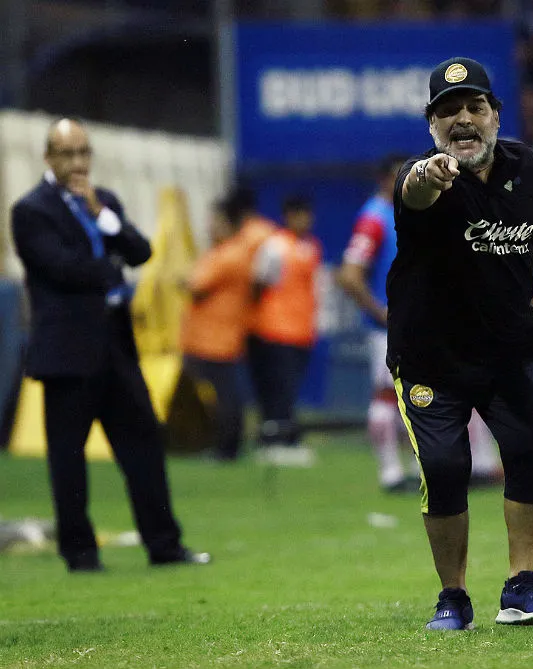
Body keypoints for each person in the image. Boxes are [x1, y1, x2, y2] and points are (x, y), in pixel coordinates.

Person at [388, 57, 533, 630]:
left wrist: (530, 302)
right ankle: (453, 596)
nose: (463, 119)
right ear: (432, 124)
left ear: (495, 115)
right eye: (448, 111)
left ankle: (522, 583)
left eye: (474, 106)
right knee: (444, 468)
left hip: (511, 351)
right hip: (431, 357)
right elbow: (415, 192)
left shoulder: (524, 165)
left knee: (532, 454)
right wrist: (429, 175)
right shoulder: (421, 177)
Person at [10, 118, 209, 572]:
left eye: (84, 152)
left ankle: (165, 545)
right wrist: (110, 267)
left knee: (144, 446)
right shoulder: (31, 210)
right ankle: (80, 554)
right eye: (67, 154)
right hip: (67, 352)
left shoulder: (104, 202)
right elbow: (61, 268)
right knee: (68, 458)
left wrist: (101, 214)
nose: (78, 163)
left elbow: (140, 251)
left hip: (116, 347)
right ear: (48, 158)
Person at [336, 157, 503, 493]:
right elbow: (350, 275)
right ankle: (391, 474)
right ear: (386, 180)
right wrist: (382, 312)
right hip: (392, 329)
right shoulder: (375, 218)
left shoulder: (414, 211)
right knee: (389, 397)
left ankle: (432, 467)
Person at [248, 195, 322, 467]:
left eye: (307, 215)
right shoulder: (275, 246)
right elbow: (258, 281)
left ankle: (283, 438)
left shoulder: (311, 247)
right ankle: (274, 441)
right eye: (299, 215)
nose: (304, 221)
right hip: (274, 330)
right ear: (288, 216)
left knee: (289, 389)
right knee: (277, 388)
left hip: (301, 331)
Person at [179, 199, 253, 462]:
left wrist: (181, 279)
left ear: (229, 224)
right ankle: (224, 446)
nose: (210, 227)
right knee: (225, 395)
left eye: (216, 221)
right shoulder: (231, 252)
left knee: (223, 397)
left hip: (214, 339)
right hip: (216, 336)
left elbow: (195, 285)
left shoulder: (227, 255)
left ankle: (225, 448)